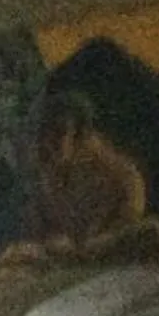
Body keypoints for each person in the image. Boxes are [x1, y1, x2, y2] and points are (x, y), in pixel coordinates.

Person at [27, 91, 149, 249]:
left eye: (58, 133)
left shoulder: (117, 174)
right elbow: (44, 231)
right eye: (43, 135)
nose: (47, 143)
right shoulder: (48, 175)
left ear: (80, 134)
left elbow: (128, 219)